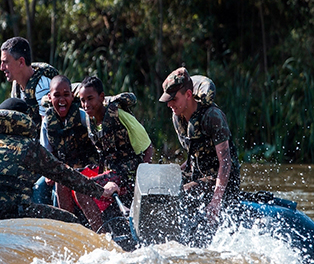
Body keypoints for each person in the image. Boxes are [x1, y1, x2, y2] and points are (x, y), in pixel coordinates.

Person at [0, 98, 119, 223]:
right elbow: (64, 174)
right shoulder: (29, 146)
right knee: (70, 221)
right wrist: (101, 191)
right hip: (13, 211)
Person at [159, 67, 240, 224]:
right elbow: (194, 157)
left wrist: (216, 201)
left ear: (188, 95)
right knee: (162, 188)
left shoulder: (212, 117)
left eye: (173, 99)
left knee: (181, 194)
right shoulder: (178, 117)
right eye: (168, 100)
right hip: (197, 174)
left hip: (221, 179)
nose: (170, 104)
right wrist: (174, 172)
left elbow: (225, 162)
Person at [77, 76, 155, 230]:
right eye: (82, 100)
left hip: (128, 173)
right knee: (69, 180)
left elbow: (148, 148)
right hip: (111, 172)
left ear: (101, 97)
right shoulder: (90, 120)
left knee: (82, 189)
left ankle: (100, 236)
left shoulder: (119, 115)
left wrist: (141, 185)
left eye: (90, 99)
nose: (86, 105)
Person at [40, 75, 99, 215]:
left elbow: (99, 147)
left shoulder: (83, 117)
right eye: (57, 95)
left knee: (63, 184)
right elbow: (45, 153)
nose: (62, 100)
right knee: (39, 188)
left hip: (87, 169)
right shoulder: (47, 122)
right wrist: (49, 173)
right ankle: (60, 225)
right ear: (49, 97)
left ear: (72, 96)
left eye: (66, 95)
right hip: (62, 171)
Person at [0, 36, 59, 135]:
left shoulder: (42, 85)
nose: (1, 67)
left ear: (21, 62)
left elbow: (47, 129)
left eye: (5, 62)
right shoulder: (16, 84)